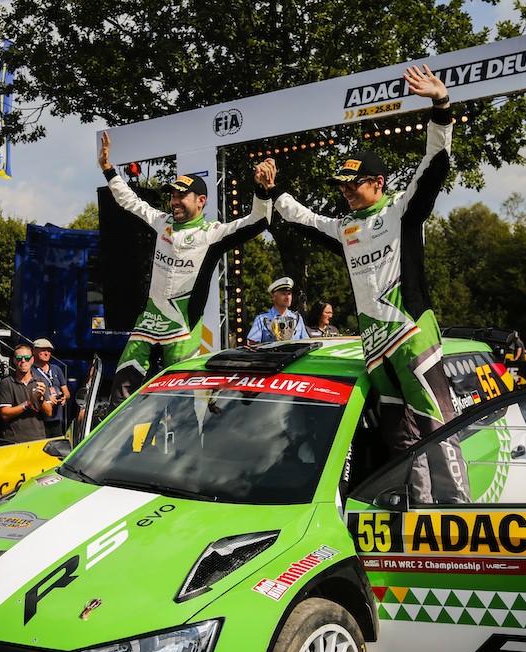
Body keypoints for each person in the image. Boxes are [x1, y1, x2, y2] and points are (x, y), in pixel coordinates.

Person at [255, 65, 468, 504]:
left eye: (354, 184)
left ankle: (456, 517)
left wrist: (441, 107)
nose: (346, 191)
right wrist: (274, 191)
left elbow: (435, 165)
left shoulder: (402, 210)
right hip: (374, 347)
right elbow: (304, 218)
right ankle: (416, 511)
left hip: (411, 335)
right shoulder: (345, 227)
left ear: (378, 183)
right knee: (400, 438)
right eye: (342, 185)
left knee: (438, 428)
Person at [99, 131, 271, 406]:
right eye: (173, 195)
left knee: (182, 403)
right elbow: (129, 202)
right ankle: (115, 446)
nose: (175, 201)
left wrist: (262, 191)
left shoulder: (212, 233)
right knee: (121, 391)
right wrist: (108, 169)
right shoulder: (162, 222)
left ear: (201, 201)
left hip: (182, 328)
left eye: (183, 196)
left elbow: (257, 222)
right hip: (150, 322)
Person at [0, 343, 52, 443]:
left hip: (38, 439)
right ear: (14, 360)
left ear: (32, 360)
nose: (23, 361)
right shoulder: (7, 383)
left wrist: (41, 399)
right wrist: (28, 403)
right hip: (14, 440)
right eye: (19, 358)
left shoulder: (40, 381)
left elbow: (49, 412)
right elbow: (5, 414)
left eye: (27, 358)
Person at [247, 277, 310, 343]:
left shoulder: (297, 318)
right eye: (283, 294)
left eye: (289, 294)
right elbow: (252, 344)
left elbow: (306, 342)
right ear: (273, 297)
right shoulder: (262, 319)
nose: (287, 297)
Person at [31, 338, 70, 437]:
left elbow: (67, 392)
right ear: (34, 351)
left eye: (48, 351)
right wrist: (47, 399)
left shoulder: (56, 369)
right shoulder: (30, 370)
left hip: (56, 418)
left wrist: (64, 397)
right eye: (43, 350)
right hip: (39, 419)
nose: (46, 353)